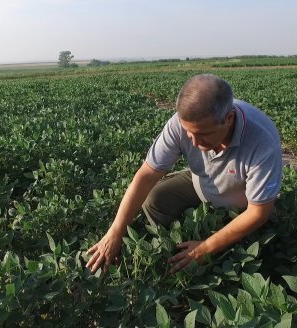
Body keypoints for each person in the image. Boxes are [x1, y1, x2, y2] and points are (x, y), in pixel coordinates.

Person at [86, 74, 282, 274]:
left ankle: (208, 251)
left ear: (229, 119)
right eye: (189, 133)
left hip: (241, 206)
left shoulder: (262, 142)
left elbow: (258, 212)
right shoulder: (179, 125)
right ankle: (174, 252)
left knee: (242, 247)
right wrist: (115, 232)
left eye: (203, 134)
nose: (195, 143)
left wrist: (205, 248)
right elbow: (146, 176)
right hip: (202, 181)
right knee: (155, 198)